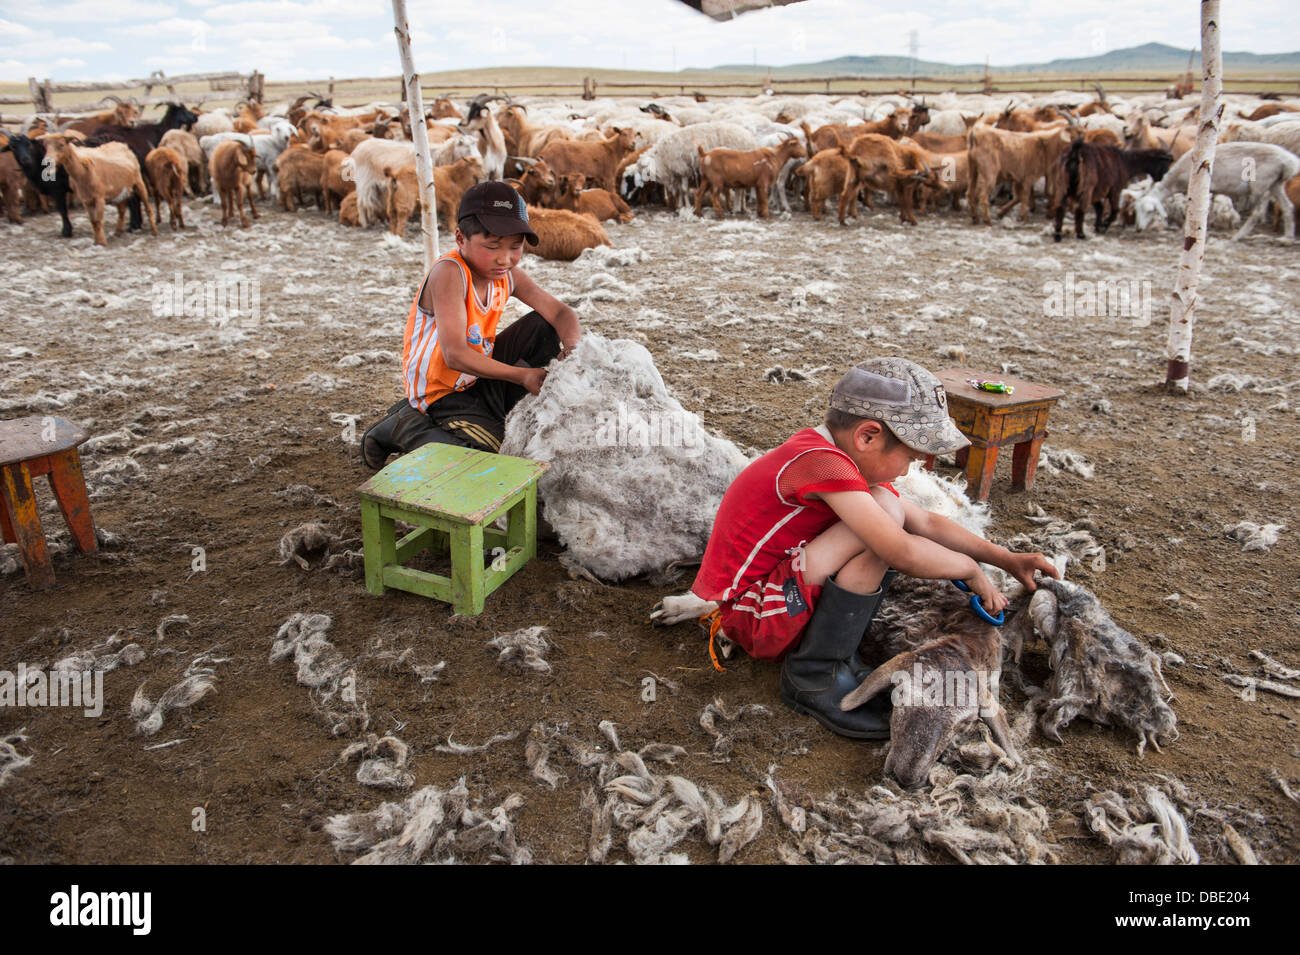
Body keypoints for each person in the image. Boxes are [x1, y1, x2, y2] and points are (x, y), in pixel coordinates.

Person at [690, 357, 1059, 739]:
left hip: (778, 598)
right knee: (885, 517)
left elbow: (927, 522)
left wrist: (1005, 558)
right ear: (867, 436)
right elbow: (901, 550)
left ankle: (838, 659)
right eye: (911, 458)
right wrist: (969, 570)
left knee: (888, 505)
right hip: (755, 614)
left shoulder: (829, 457)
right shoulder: (823, 465)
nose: (907, 471)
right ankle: (813, 675)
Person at [361, 180, 582, 467]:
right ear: (460, 239)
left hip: (478, 377)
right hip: (442, 391)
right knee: (488, 454)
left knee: (544, 324)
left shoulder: (507, 273)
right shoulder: (449, 273)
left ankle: (496, 410)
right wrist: (522, 376)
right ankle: (404, 425)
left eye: (516, 247)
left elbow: (561, 313)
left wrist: (574, 350)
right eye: (492, 246)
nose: (505, 258)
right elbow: (455, 355)